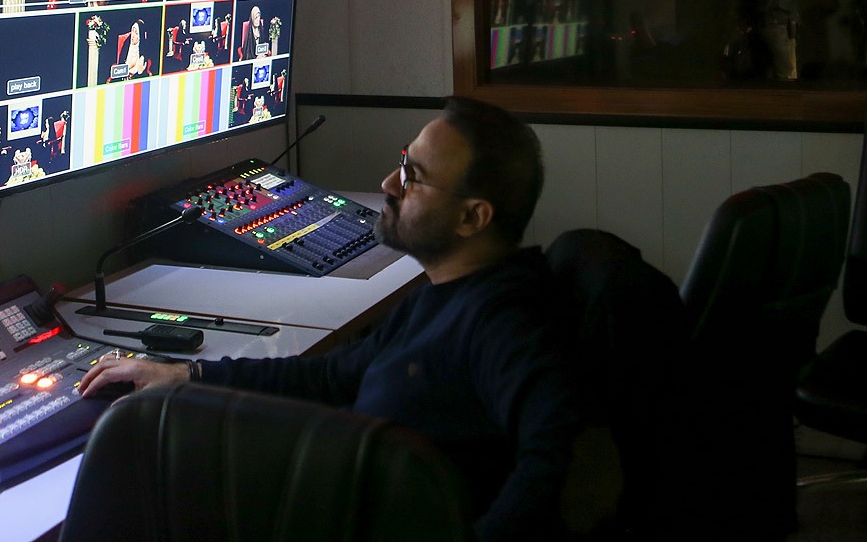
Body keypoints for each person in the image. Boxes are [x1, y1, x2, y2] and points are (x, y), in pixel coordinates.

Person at [79, 96, 584, 542]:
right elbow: (330, 375)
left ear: (472, 217)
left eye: (413, 177)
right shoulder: (442, 297)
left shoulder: (508, 323)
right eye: (402, 163)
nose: (389, 184)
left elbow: (568, 462)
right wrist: (188, 375)